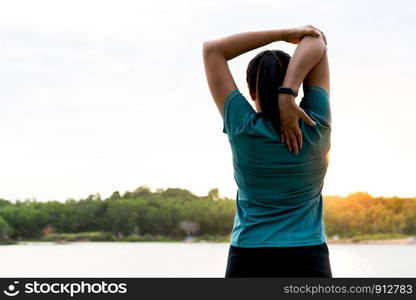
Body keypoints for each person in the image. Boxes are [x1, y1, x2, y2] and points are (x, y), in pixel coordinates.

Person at [202, 25, 332, 278]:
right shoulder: (316, 123)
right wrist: (288, 94)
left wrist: (282, 35)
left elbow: (212, 50)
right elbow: (317, 40)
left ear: (251, 92)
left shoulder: (242, 126)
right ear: (302, 84)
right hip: (309, 256)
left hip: (249, 256)